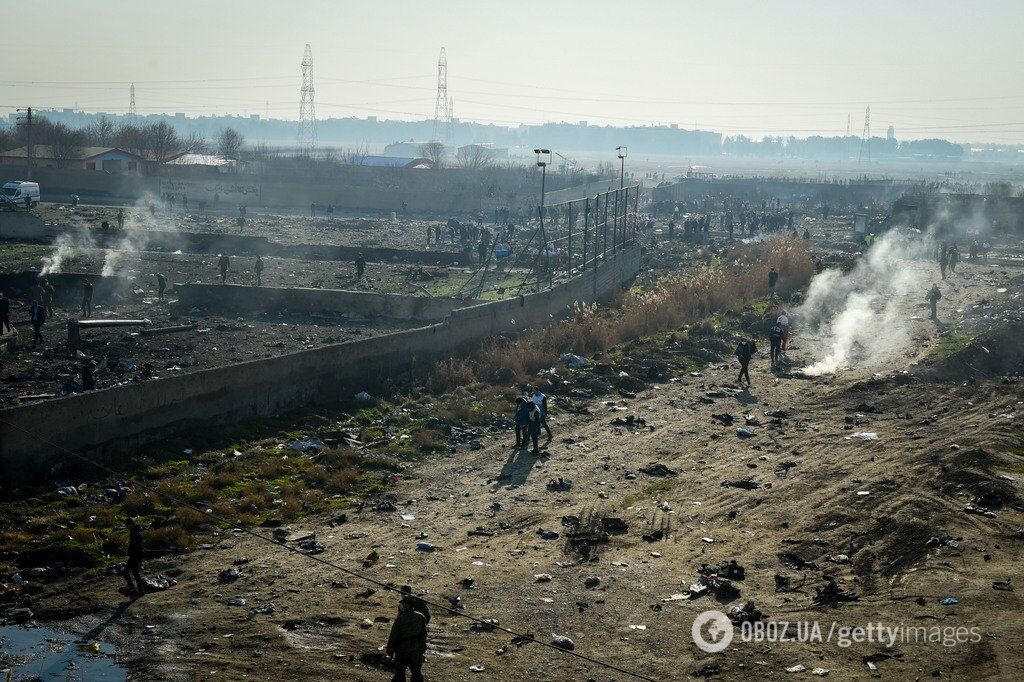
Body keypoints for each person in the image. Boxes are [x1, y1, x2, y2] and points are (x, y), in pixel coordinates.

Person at [386, 594, 428, 682]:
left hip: (402, 649)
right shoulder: (420, 617)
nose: (402, 606)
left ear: (407, 605)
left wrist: (389, 651)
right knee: (416, 672)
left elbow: (393, 636)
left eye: (404, 604)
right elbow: (423, 635)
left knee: (399, 674)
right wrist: (422, 648)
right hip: (415, 648)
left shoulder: (400, 619)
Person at [122, 518, 145, 598]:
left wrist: (140, 561)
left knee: (127, 573)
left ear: (131, 524)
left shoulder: (137, 534)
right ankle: (137, 590)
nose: (126, 527)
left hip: (135, 557)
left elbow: (141, 548)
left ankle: (135, 590)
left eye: (126, 525)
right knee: (133, 573)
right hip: (133, 556)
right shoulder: (133, 532)